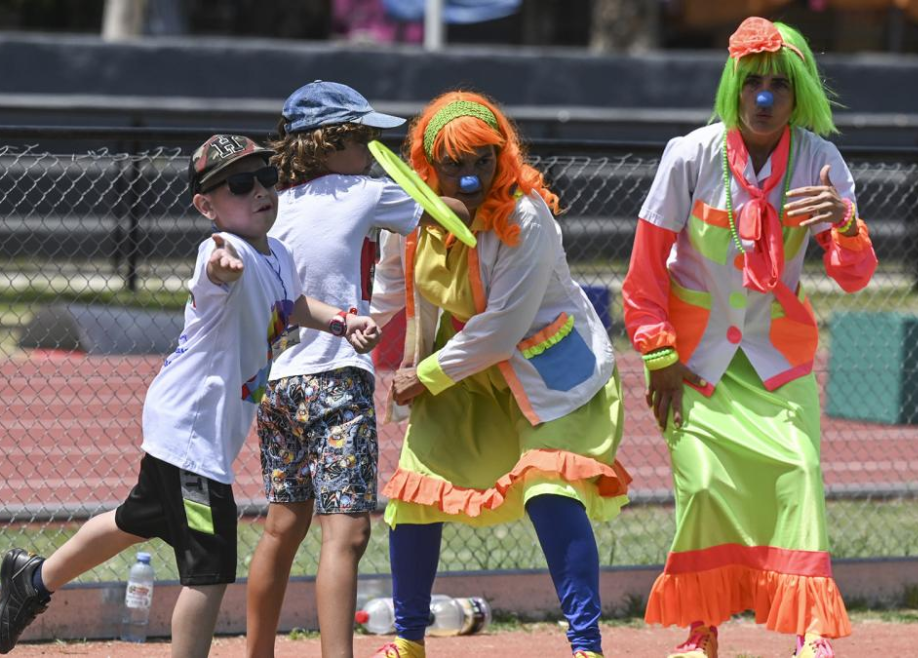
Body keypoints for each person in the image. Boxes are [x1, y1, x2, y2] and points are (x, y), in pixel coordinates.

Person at [0, 135, 381, 657]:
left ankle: (33, 581)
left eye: (266, 177)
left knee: (134, 520)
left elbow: (291, 305)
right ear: (205, 206)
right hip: (192, 440)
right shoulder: (221, 250)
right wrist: (222, 266)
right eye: (238, 184)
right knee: (209, 569)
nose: (259, 190)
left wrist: (342, 322)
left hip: (184, 429)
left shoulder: (278, 253)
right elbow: (216, 267)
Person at [622, 16, 878, 658]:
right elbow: (645, 272)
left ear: (800, 95)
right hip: (692, 364)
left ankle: (811, 632)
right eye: (752, 83)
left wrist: (846, 223)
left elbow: (852, 277)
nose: (763, 98)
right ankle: (701, 629)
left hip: (776, 360)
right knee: (704, 486)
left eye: (779, 86)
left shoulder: (820, 162)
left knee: (800, 473)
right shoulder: (690, 155)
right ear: (732, 87)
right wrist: (657, 354)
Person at [366, 90, 630, 658]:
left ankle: (586, 646)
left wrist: (425, 374)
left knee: (550, 487)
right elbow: (389, 288)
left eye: (482, 161)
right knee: (414, 493)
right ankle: (408, 642)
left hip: (545, 373)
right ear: (428, 164)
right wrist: (349, 327)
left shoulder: (525, 216)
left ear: (501, 156)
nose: (469, 178)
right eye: (453, 164)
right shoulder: (409, 216)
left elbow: (502, 327)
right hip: (462, 373)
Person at [245, 80, 421, 658]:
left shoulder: (271, 205)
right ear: (330, 143)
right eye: (363, 138)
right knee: (347, 532)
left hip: (277, 384)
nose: (374, 149)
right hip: (337, 380)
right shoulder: (362, 191)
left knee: (282, 527)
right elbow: (445, 216)